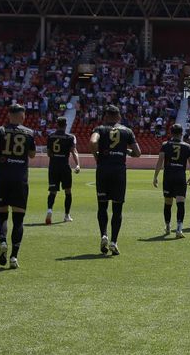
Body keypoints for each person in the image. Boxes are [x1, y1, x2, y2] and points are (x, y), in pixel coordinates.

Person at [0, 103, 36, 269]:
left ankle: (2, 241)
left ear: (8, 115)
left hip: (2, 178)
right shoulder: (29, 132)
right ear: (22, 116)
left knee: (2, 216)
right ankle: (14, 257)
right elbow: (32, 154)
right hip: (20, 179)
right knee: (18, 219)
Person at [91, 104, 139, 255]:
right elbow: (138, 153)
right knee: (117, 209)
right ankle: (114, 242)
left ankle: (103, 235)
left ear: (106, 116)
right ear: (119, 116)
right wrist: (127, 151)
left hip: (103, 170)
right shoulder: (127, 131)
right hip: (119, 171)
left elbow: (93, 142)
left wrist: (97, 156)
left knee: (102, 206)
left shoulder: (100, 129)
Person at [152, 124, 190, 238]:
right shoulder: (187, 146)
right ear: (181, 133)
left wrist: (155, 176)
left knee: (168, 203)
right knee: (180, 202)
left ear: (171, 133)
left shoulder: (165, 145)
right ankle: (179, 229)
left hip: (168, 177)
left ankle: (167, 226)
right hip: (180, 177)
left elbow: (160, 161)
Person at [43, 120, 81, 224]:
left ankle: (49, 210)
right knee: (68, 191)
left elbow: (49, 153)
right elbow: (74, 151)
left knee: (52, 191)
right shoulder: (70, 137)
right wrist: (77, 164)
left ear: (57, 124)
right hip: (64, 166)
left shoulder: (51, 136)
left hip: (53, 167)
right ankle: (66, 215)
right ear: (65, 125)